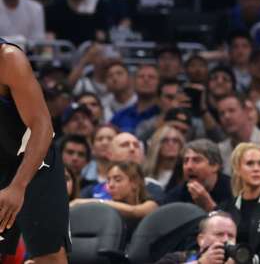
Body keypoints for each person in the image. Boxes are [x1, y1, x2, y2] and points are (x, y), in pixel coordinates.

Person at [0, 39, 70, 263]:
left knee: (48, 255)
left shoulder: (9, 59)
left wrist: (18, 186)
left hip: (34, 160)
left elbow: (42, 126)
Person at [219, 142, 260, 264]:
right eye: (250, 163)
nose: (256, 168)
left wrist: (248, 260)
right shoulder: (225, 208)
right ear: (237, 169)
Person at [70, 162, 157, 243]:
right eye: (108, 180)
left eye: (117, 180)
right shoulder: (108, 207)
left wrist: (90, 202)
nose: (110, 185)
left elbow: (134, 211)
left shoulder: (151, 204)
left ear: (134, 183)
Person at [153, 210, 240, 264]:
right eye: (219, 234)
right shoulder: (179, 258)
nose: (225, 239)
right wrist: (201, 262)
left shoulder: (242, 260)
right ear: (201, 239)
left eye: (231, 236)